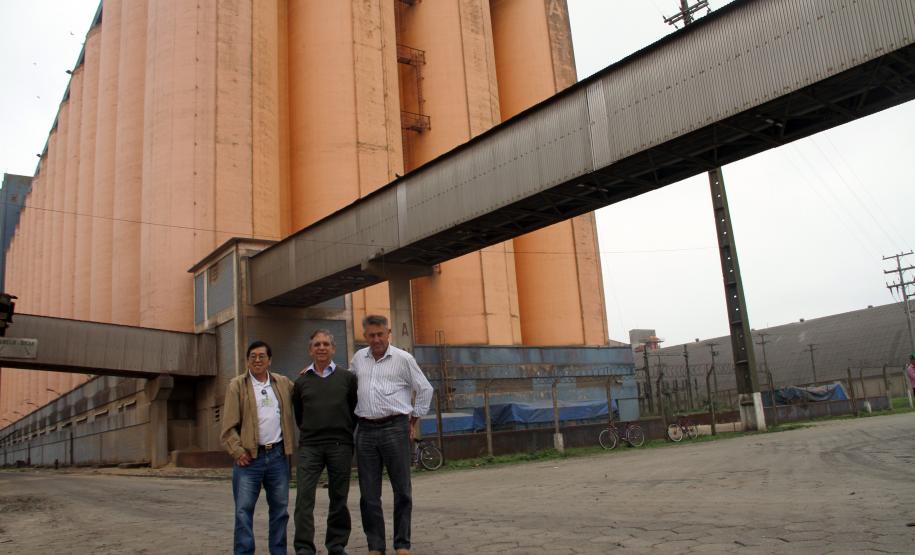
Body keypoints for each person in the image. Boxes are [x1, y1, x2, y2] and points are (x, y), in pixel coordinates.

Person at [350, 314, 434, 555]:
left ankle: (402, 544)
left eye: (380, 334)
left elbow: (425, 389)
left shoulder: (403, 359)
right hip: (365, 429)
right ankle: (375, 546)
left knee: (402, 490)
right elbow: (345, 383)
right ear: (365, 336)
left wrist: (413, 420)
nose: (376, 339)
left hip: (394, 428)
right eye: (371, 335)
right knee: (368, 493)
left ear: (388, 333)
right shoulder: (359, 359)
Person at [221, 340, 296, 555]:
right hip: (249, 459)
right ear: (247, 360)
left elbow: (303, 393)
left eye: (262, 356)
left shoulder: (282, 383)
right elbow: (228, 426)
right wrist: (237, 450)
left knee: (280, 510)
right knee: (243, 512)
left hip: (278, 456)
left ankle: (278, 551)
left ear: (270, 360)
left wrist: (310, 373)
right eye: (253, 356)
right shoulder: (237, 385)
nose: (257, 360)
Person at [292, 329, 358, 555]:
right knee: (304, 497)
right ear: (310, 350)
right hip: (310, 446)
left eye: (326, 344)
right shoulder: (301, 381)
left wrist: (344, 433)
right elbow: (299, 415)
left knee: (339, 497)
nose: (321, 348)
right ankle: (303, 547)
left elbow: (354, 410)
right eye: (317, 344)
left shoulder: (348, 379)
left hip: (340, 445)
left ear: (333, 349)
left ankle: (336, 544)